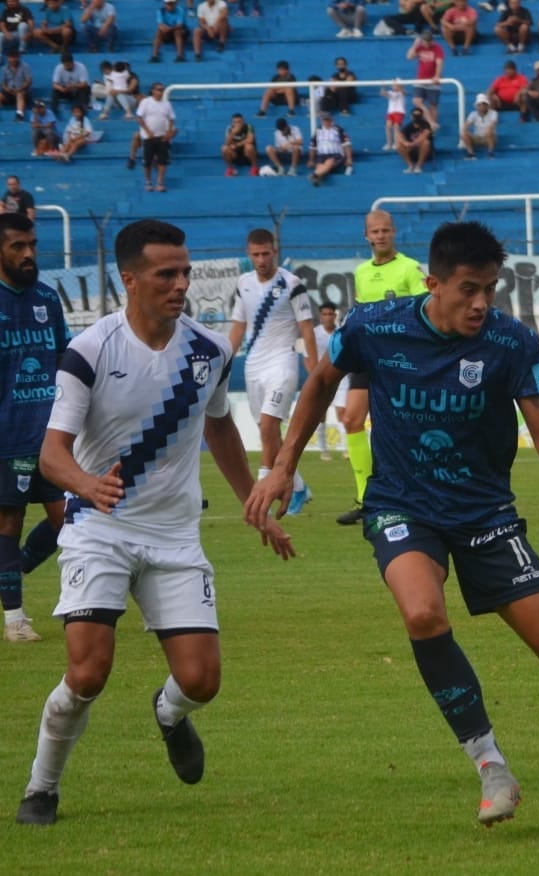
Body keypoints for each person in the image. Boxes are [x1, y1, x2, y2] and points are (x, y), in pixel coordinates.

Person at [248, 220, 539, 828]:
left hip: (484, 513)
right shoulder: (375, 326)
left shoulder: (511, 342)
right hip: (402, 504)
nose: (481, 303)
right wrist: (282, 467)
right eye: (469, 289)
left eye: (491, 290)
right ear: (434, 283)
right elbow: (321, 382)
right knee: (423, 612)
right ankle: (489, 764)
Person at [13, 219, 294, 827]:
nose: (181, 284)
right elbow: (52, 453)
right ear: (130, 278)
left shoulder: (210, 350)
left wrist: (255, 505)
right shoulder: (88, 352)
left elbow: (219, 422)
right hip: (100, 529)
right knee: (88, 672)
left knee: (202, 681)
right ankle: (42, 788)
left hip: (173, 534)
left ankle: (169, 714)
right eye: (167, 273)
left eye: (186, 272)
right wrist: (86, 484)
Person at [0, 213, 70, 644]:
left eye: (32, 245)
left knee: (72, 521)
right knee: (8, 521)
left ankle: (14, 569)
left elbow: (65, 360)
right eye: (17, 247)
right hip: (7, 437)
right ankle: (15, 619)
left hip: (53, 434)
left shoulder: (48, 297)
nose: (28, 254)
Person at [337, 210, 427, 527]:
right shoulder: (361, 272)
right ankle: (365, 498)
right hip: (368, 356)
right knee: (351, 419)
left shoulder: (410, 269)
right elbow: (361, 312)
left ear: (394, 233)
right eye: (374, 231)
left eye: (385, 230)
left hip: (401, 358)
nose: (380, 236)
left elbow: (425, 311)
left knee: (399, 426)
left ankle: (412, 494)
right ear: (366, 236)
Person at [228, 228, 317, 518]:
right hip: (254, 364)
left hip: (283, 363)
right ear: (248, 254)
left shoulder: (292, 284)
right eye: (256, 254)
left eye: (266, 253)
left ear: (274, 251)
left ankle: (263, 489)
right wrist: (225, 360)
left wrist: (312, 364)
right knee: (268, 434)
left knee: (268, 425)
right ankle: (299, 486)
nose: (262, 259)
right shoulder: (243, 284)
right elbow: (239, 326)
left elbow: (306, 327)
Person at [312, 303, 343, 461]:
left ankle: (346, 449)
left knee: (342, 412)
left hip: (341, 376)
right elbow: (307, 356)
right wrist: (313, 375)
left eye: (331, 314)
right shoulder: (314, 333)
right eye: (324, 314)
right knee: (320, 414)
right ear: (320, 316)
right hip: (321, 377)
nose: (328, 317)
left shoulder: (341, 331)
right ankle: (323, 449)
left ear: (335, 316)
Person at [135, 82, 175, 193]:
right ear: (153, 90)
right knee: (147, 161)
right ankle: (148, 181)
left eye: (162, 89)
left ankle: (160, 182)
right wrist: (148, 131)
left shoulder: (167, 104)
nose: (160, 92)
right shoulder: (146, 102)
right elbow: (139, 117)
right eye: (158, 89)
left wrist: (169, 132)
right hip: (149, 137)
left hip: (162, 136)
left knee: (162, 161)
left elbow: (171, 118)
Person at [407, 28, 447, 129]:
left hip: (433, 81)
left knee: (433, 105)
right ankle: (431, 123)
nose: (427, 43)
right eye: (425, 41)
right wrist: (415, 44)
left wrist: (437, 75)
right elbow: (409, 57)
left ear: (432, 40)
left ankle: (432, 127)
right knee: (416, 101)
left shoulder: (437, 48)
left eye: (429, 41)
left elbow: (439, 62)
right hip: (420, 80)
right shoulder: (419, 48)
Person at [49, 53, 89, 117]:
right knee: (55, 91)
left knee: (85, 89)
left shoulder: (81, 67)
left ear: (73, 62)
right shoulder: (58, 68)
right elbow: (54, 84)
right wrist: (61, 89)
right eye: (65, 65)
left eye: (69, 65)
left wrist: (73, 86)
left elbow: (84, 83)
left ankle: (83, 110)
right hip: (66, 90)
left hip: (77, 89)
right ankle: (53, 110)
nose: (67, 67)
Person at [397, 107, 433, 174]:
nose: (416, 117)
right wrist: (405, 143)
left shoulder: (425, 124)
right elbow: (400, 136)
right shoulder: (408, 126)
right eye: (414, 115)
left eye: (418, 116)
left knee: (426, 143)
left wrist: (412, 144)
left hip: (424, 151)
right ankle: (410, 166)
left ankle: (419, 166)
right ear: (411, 116)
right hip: (412, 149)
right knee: (399, 145)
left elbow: (425, 135)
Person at [2, 51, 29, 122]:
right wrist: (7, 89)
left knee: (20, 95)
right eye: (11, 58)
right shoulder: (4, 68)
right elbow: (3, 83)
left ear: (18, 58)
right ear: (8, 58)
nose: (13, 60)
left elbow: (28, 81)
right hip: (9, 91)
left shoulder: (25, 67)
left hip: (22, 91)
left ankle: (19, 115)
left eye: (15, 58)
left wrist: (19, 89)